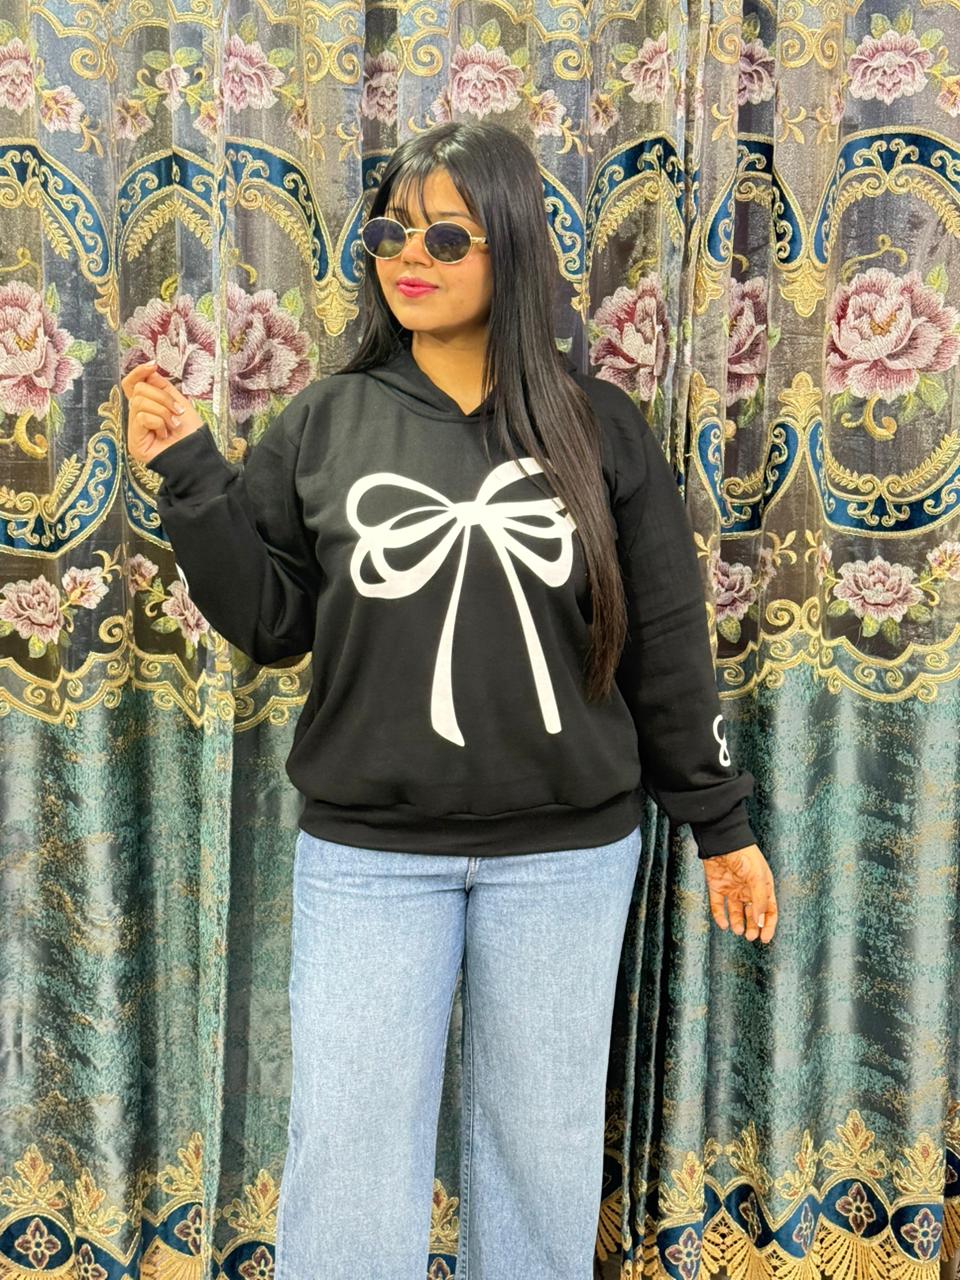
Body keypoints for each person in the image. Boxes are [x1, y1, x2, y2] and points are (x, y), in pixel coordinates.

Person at [122, 120, 778, 1280]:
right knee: (350, 1161)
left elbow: (668, 649)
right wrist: (188, 475)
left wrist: (719, 826)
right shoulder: (325, 421)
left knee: (541, 1162)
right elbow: (272, 623)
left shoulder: (599, 428)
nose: (408, 258)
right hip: (369, 854)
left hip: (567, 857)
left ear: (509, 248)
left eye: (444, 236)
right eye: (390, 233)